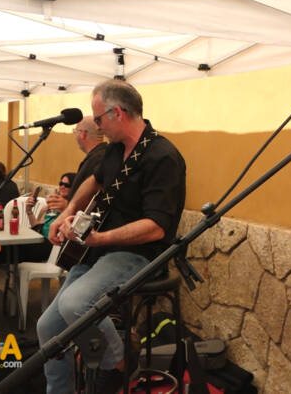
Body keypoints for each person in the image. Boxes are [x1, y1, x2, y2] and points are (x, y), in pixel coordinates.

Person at [38, 79, 186, 393]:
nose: (97, 127)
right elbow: (94, 181)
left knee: (75, 304)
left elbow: (157, 227)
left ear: (117, 113)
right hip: (97, 252)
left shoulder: (162, 157)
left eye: (99, 119)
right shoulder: (115, 149)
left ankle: (120, 363)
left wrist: (101, 238)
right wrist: (67, 213)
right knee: (47, 327)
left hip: (138, 255)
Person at [19, 172, 76, 263]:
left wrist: (65, 209)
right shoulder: (49, 207)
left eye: (67, 185)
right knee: (16, 244)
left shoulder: (74, 209)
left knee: (17, 249)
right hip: (39, 242)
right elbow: (37, 227)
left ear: (74, 187)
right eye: (61, 183)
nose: (62, 187)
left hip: (52, 246)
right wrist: (29, 211)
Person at [70, 116, 107, 198]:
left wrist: (67, 204)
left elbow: (87, 197)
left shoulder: (97, 160)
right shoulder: (103, 155)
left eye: (75, 131)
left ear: (83, 134)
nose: (74, 135)